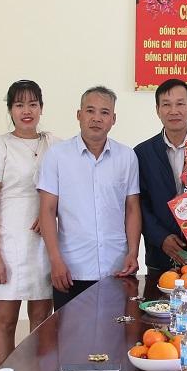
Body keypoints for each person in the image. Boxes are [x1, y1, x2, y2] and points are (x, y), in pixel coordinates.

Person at [0, 79, 58, 366]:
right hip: (8, 239)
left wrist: (49, 213)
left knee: (41, 317)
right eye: (19, 105)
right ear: (10, 109)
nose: (27, 111)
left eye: (33, 104)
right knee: (6, 319)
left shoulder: (54, 145)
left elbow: (67, 191)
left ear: (41, 108)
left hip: (44, 242)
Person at [37, 86, 141, 310]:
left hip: (117, 268)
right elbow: (47, 211)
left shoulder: (127, 157)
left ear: (113, 119)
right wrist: (55, 260)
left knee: (115, 330)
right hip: (71, 269)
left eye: (104, 112)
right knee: (70, 331)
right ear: (79, 115)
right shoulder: (57, 156)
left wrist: (133, 252)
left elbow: (132, 208)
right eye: (90, 111)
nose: (96, 118)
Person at [135, 78, 187, 273]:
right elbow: (139, 203)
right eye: (166, 105)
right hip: (161, 254)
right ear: (157, 110)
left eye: (180, 104)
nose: (173, 111)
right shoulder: (142, 153)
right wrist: (161, 238)